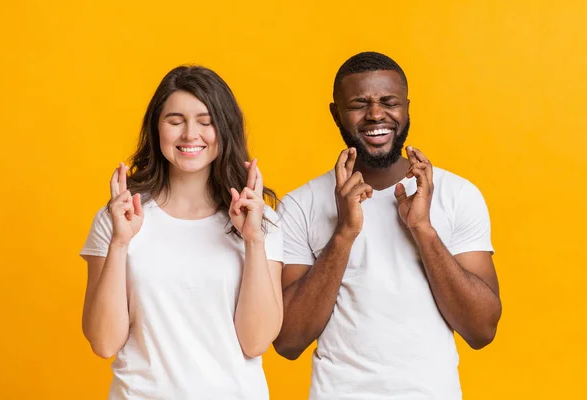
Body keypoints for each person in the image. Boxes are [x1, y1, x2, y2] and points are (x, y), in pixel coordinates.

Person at [273, 52, 502, 399]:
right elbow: (288, 341)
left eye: (388, 102)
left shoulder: (458, 195)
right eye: (359, 104)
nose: (376, 114)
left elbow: (481, 330)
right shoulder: (299, 205)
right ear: (336, 113)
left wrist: (424, 230)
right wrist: (344, 235)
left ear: (407, 109)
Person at [79, 66, 284, 399]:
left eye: (206, 122)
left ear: (226, 129)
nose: (190, 135)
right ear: (156, 128)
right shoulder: (120, 218)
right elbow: (103, 343)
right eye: (175, 121)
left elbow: (257, 341)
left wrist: (254, 240)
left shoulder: (261, 221)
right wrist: (119, 243)